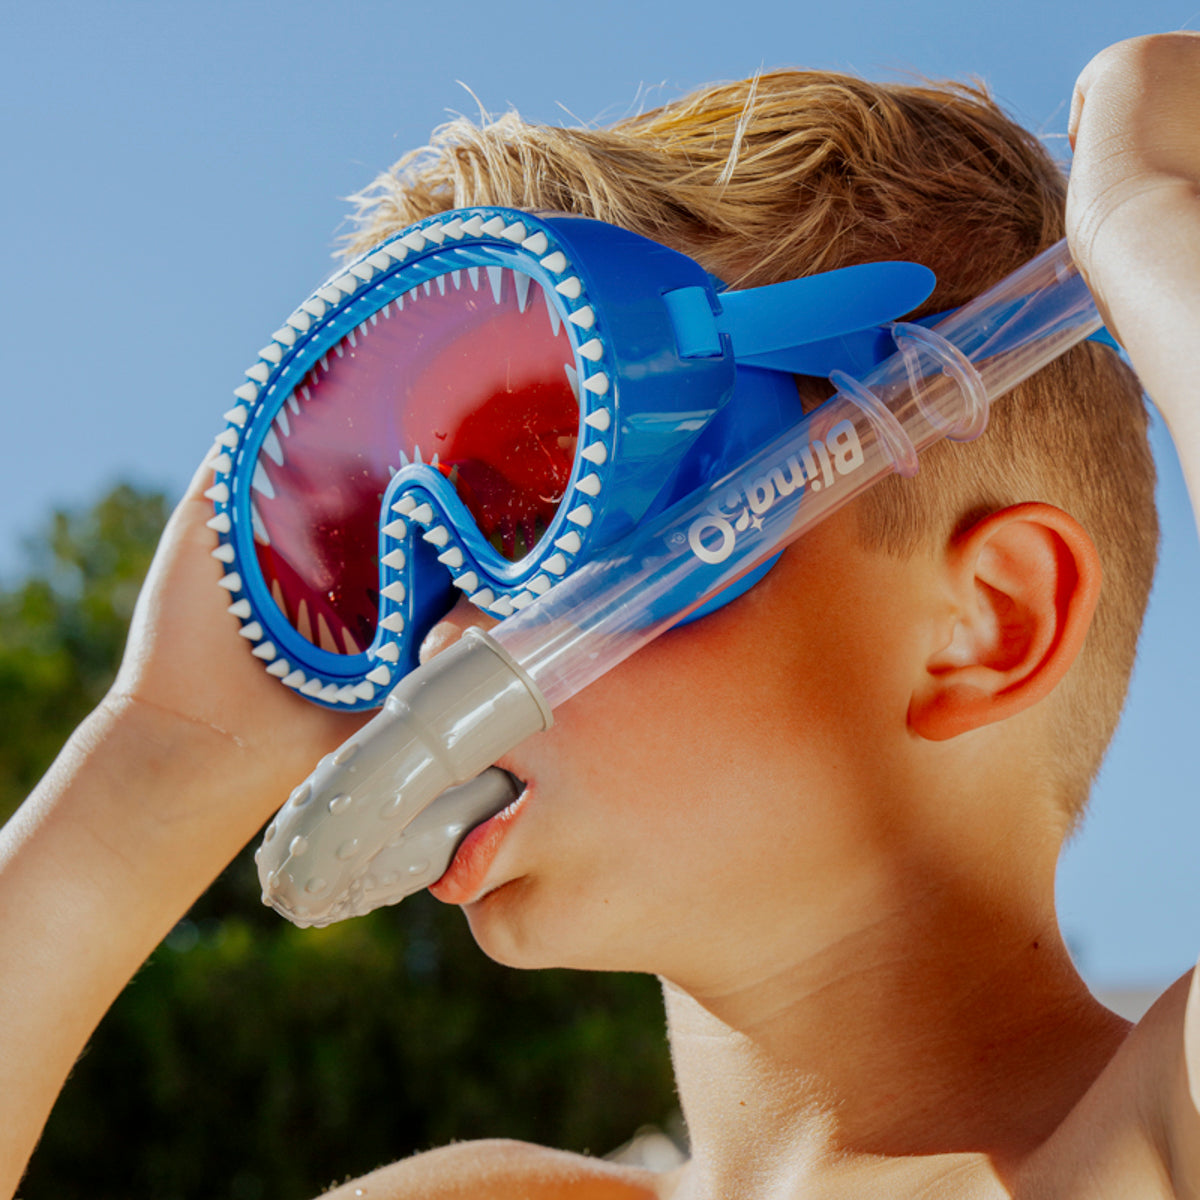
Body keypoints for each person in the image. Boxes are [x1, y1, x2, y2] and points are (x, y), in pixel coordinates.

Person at [2, 30, 1199, 1199]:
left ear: (987, 624)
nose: (441, 636)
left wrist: (1152, 229)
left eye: (558, 514)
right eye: (409, 562)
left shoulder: (1140, 1148)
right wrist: (156, 767)